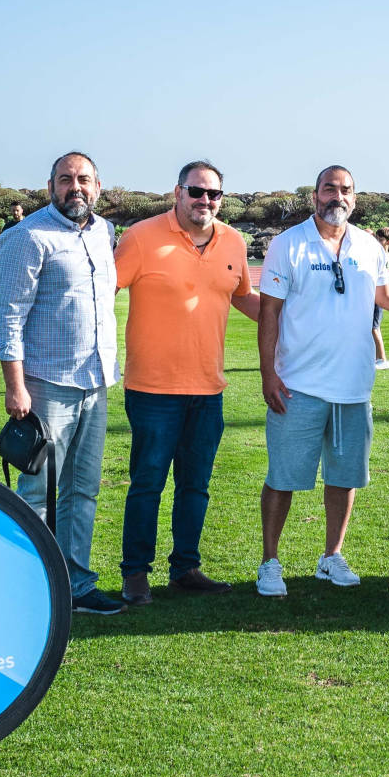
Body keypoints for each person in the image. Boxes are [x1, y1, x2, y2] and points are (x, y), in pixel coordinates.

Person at [113, 160, 260, 603]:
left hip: (207, 390)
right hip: (152, 390)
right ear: (177, 192)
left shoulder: (234, 240)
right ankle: (135, 573)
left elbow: (244, 298)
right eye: (197, 191)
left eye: (214, 194)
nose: (205, 201)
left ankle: (185, 568)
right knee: (147, 484)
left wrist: (296, 319)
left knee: (195, 485)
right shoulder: (140, 237)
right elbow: (103, 294)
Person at [256, 165, 389, 598]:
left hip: (354, 388)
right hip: (296, 385)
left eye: (344, 191)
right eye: (328, 189)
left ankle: (331, 556)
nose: (336, 197)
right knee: (283, 477)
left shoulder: (369, 246)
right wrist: (268, 373)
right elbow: (269, 313)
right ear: (314, 196)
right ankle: (270, 561)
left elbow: (388, 297)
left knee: (344, 477)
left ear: (354, 199)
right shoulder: (288, 245)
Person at [0, 151, 126, 616]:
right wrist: (16, 386)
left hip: (95, 381)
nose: (76, 187)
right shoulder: (27, 236)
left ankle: (76, 583)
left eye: (84, 179)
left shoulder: (104, 232)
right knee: (36, 493)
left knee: (83, 490)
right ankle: (28, 585)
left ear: (98, 185)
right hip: (46, 383)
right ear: (50, 185)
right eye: (66, 179)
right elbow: (8, 317)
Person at [370, 226, 389, 369]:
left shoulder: (382, 255)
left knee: (375, 327)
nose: (376, 242)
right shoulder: (381, 253)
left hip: (377, 294)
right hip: (375, 294)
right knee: (372, 327)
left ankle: (382, 358)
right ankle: (376, 357)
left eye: (380, 240)